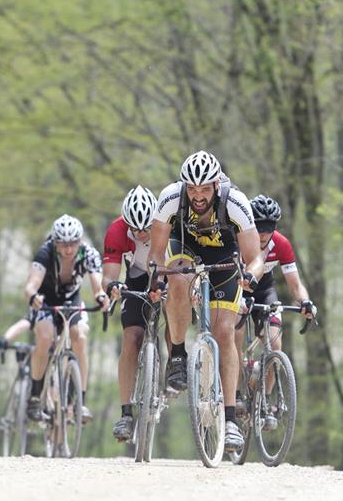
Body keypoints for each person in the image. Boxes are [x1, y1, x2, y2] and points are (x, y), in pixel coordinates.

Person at [147, 151, 265, 451]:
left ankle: (230, 420)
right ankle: (177, 354)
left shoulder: (236, 202)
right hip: (184, 248)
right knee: (176, 278)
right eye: (192, 189)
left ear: (216, 185)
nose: (198, 196)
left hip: (224, 258)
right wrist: (156, 278)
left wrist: (250, 276)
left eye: (204, 189)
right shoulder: (171, 198)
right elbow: (156, 253)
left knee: (224, 332)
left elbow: (255, 259)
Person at [238, 194, 317, 428]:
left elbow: (295, 284)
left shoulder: (281, 244)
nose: (263, 234)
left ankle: (264, 402)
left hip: (264, 290)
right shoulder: (239, 239)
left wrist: (305, 302)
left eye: (269, 228)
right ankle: (234, 396)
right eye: (259, 227)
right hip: (239, 288)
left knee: (275, 343)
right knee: (233, 336)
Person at [24, 214, 108, 424]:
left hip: (72, 300)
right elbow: (31, 284)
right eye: (63, 244)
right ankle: (35, 395)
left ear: (80, 241)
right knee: (45, 338)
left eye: (73, 244)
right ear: (55, 242)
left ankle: (80, 401)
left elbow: (97, 283)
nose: (68, 249)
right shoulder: (45, 252)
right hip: (45, 300)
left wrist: (99, 295)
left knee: (79, 336)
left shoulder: (89, 253)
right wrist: (33, 296)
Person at [101, 185, 158, 442]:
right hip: (135, 281)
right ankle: (126, 413)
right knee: (131, 338)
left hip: (164, 276)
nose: (143, 233)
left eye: (147, 228)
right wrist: (113, 287)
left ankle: (177, 364)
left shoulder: (167, 223)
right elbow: (109, 275)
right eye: (136, 229)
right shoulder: (116, 230)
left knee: (173, 316)